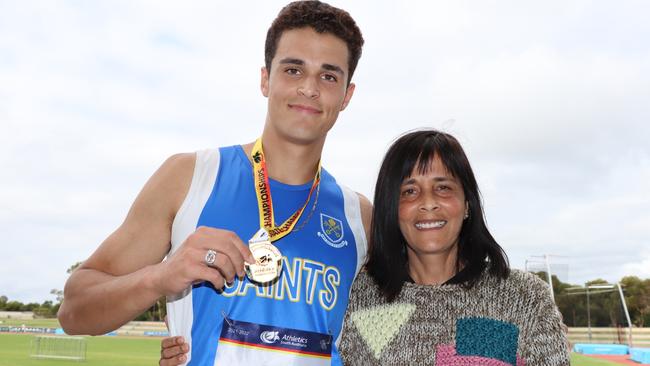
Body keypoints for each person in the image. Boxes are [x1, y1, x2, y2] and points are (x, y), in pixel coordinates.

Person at [58, 1, 371, 365]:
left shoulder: (359, 217)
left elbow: (394, 327)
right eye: (293, 70)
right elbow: (74, 309)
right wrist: (161, 278)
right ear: (265, 79)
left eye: (329, 76)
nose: (309, 89)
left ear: (347, 95)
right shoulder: (191, 177)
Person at [162, 129, 570, 365]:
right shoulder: (367, 299)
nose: (428, 202)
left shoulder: (521, 298)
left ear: (467, 205)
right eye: (410, 190)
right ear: (393, 209)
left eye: (443, 188)